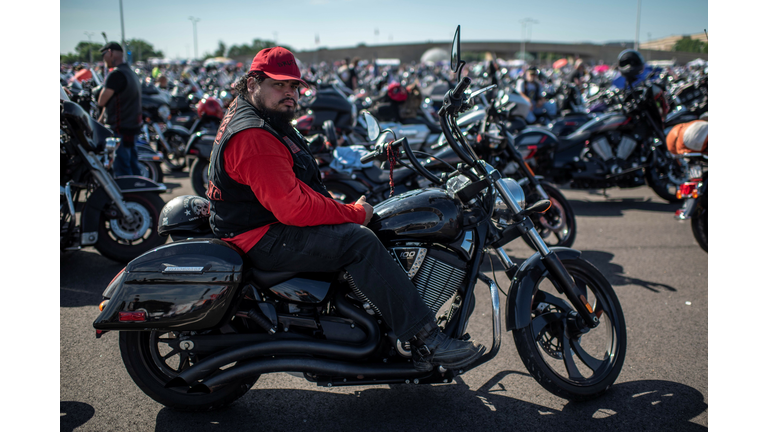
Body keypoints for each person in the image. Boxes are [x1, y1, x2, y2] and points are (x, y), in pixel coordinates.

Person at [206, 47, 485, 372]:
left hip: (255, 223)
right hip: (261, 236)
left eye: (294, 86)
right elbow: (292, 208)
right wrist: (353, 213)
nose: (289, 93)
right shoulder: (254, 135)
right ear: (253, 82)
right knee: (360, 241)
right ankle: (427, 339)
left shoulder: (255, 114)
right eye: (278, 85)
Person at [97, 42, 143, 177]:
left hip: (119, 129)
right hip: (131, 127)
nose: (103, 58)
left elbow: (102, 101)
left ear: (110, 52)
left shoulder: (116, 74)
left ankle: (129, 196)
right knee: (133, 166)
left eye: (103, 54)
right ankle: (139, 194)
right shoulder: (131, 73)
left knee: (122, 171)